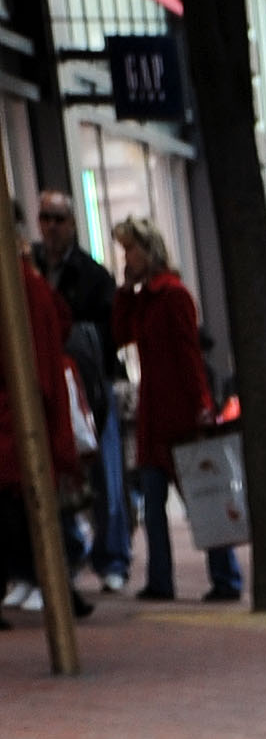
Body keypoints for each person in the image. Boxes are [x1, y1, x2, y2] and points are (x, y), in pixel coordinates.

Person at [112, 216, 241, 602]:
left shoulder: (174, 296)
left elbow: (189, 357)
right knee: (155, 507)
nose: (126, 257)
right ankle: (161, 580)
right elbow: (120, 336)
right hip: (155, 416)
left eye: (130, 249)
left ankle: (225, 579)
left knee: (204, 496)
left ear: (147, 250)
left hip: (181, 415)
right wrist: (125, 292)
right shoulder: (145, 300)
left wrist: (202, 407)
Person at [34, 187, 128, 590]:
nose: (52, 227)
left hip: (89, 387)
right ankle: (73, 551)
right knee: (58, 471)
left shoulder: (92, 276)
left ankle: (112, 558)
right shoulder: (34, 270)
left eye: (59, 218)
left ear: (72, 223)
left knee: (105, 472)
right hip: (51, 385)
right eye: (46, 218)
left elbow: (111, 332)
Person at [0, 208, 79, 620]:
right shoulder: (27, 283)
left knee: (26, 497)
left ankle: (46, 577)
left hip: (26, 408)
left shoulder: (26, 287)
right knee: (18, 500)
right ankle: (33, 576)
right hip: (20, 407)